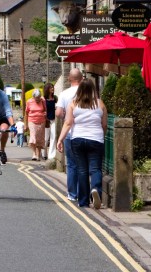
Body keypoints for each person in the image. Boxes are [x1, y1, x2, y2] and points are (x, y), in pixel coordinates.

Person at [56, 77, 108, 209]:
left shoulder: (73, 104)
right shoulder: (100, 104)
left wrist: (60, 139)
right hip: (96, 139)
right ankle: (95, 189)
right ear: (93, 90)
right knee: (95, 169)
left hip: (77, 139)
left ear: (79, 90)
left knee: (82, 170)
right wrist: (102, 135)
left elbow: (68, 123)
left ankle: (84, 201)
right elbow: (104, 125)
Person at [55, 68, 83, 201]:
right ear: (82, 79)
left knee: (71, 164)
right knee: (84, 164)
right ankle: (84, 193)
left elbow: (59, 113)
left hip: (70, 133)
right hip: (86, 133)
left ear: (69, 79)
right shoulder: (89, 93)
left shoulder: (64, 94)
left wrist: (66, 116)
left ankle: (72, 194)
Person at [25, 88, 48, 161]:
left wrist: (45, 114)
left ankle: (38, 155)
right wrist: (25, 125)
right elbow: (26, 113)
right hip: (31, 121)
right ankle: (34, 153)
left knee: (40, 139)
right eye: (36, 98)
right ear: (33, 97)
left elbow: (45, 110)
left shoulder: (43, 100)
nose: (37, 99)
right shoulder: (29, 101)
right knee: (33, 136)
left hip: (41, 121)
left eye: (38, 98)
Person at [43, 82, 57, 160]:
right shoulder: (44, 99)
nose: (52, 89)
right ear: (47, 89)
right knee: (45, 139)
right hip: (46, 121)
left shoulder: (55, 98)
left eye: (53, 87)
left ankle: (51, 155)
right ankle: (44, 154)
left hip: (54, 120)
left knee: (53, 137)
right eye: (51, 87)